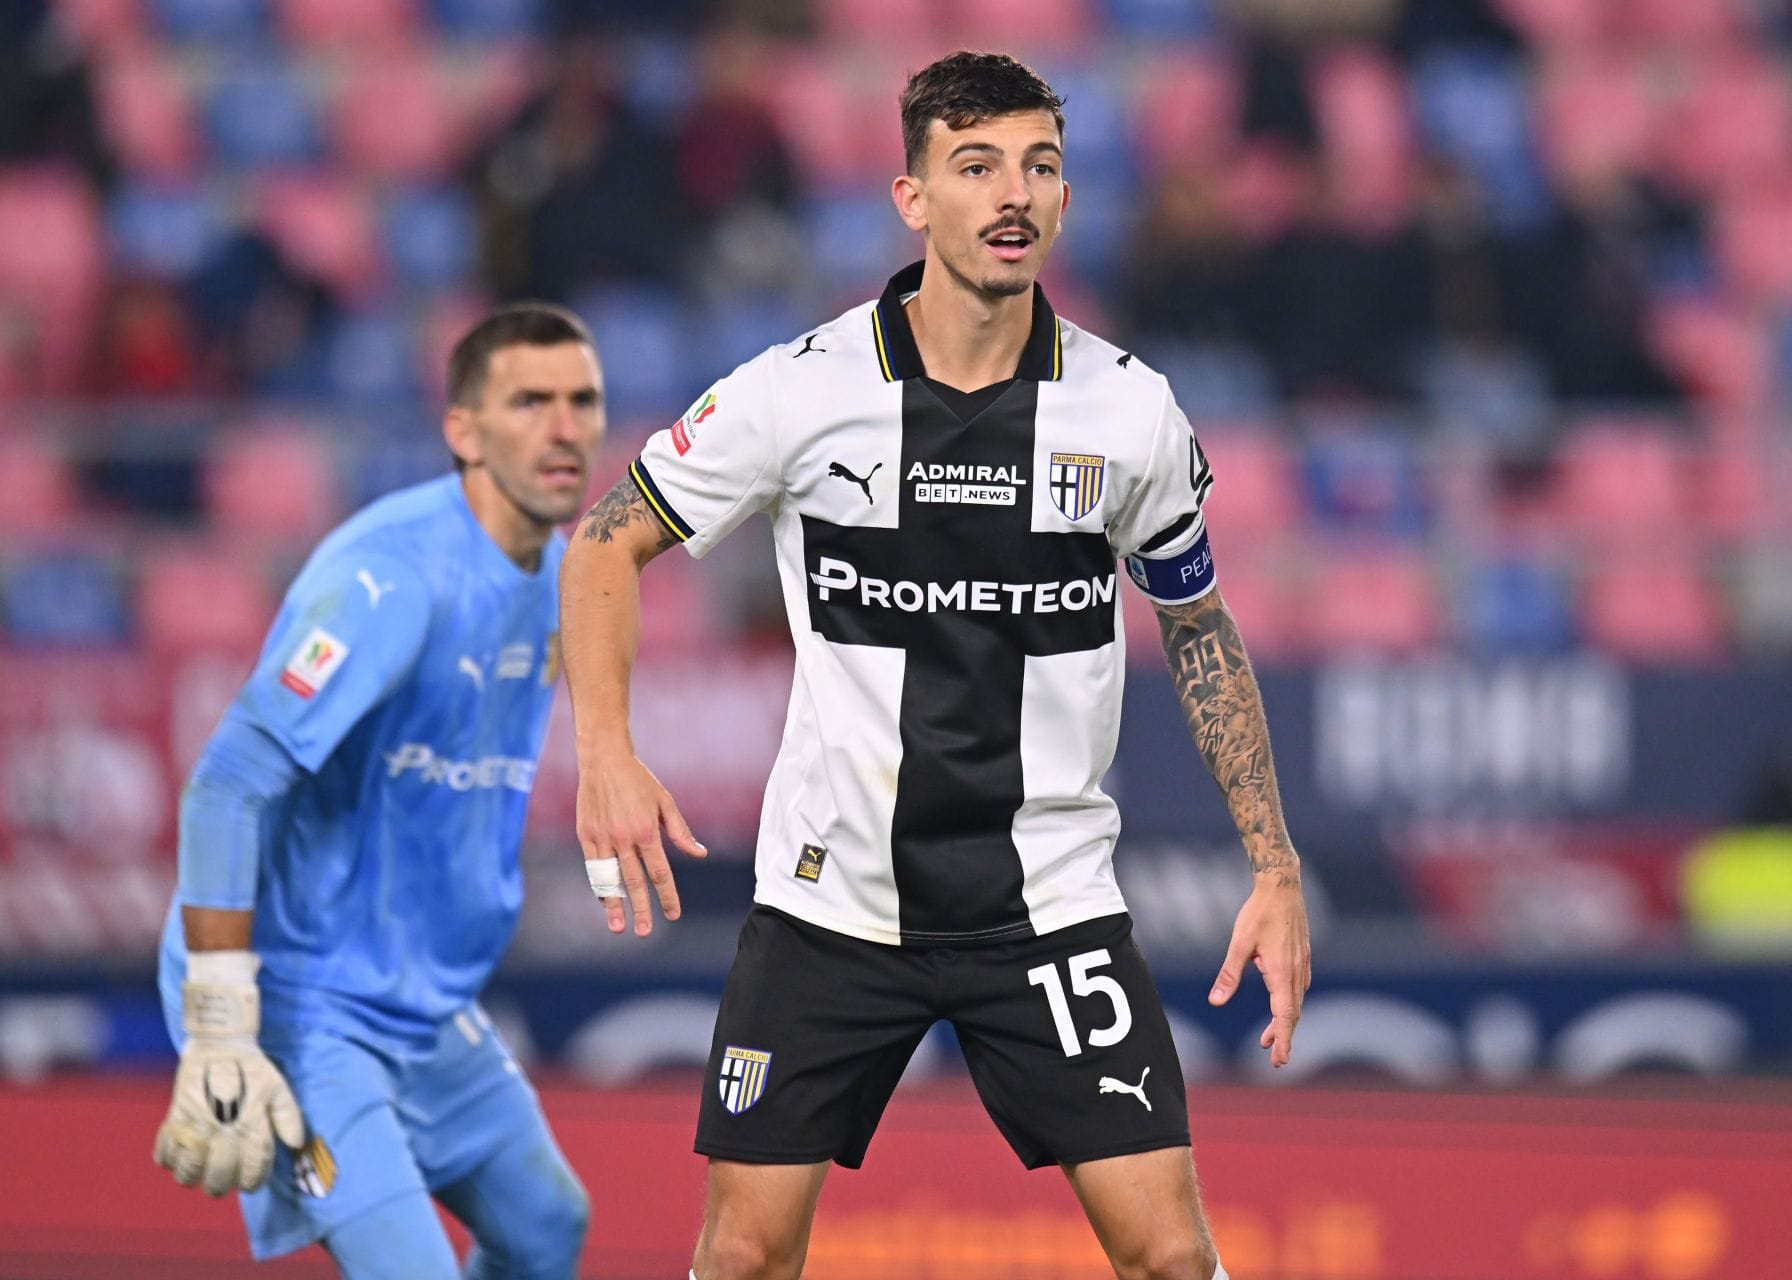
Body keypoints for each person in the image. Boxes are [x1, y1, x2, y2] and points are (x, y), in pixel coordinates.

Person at [562, 51, 1312, 1280]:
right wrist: (604, 750)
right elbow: (605, 541)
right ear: (913, 198)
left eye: (1040, 166)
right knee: (743, 1255)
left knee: (1173, 1256)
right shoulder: (802, 391)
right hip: (831, 901)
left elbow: (1199, 625)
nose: (1012, 194)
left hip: (1048, 904)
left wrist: (1275, 865)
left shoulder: (1131, 415)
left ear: (1067, 199)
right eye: (976, 167)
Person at [152, 304, 606, 1279]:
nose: (564, 427)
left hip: (423, 1003)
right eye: (529, 401)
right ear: (463, 431)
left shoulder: (563, 576)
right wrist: (221, 1020)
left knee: (546, 1226)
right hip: (302, 997)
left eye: (582, 400)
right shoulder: (393, 580)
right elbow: (226, 785)